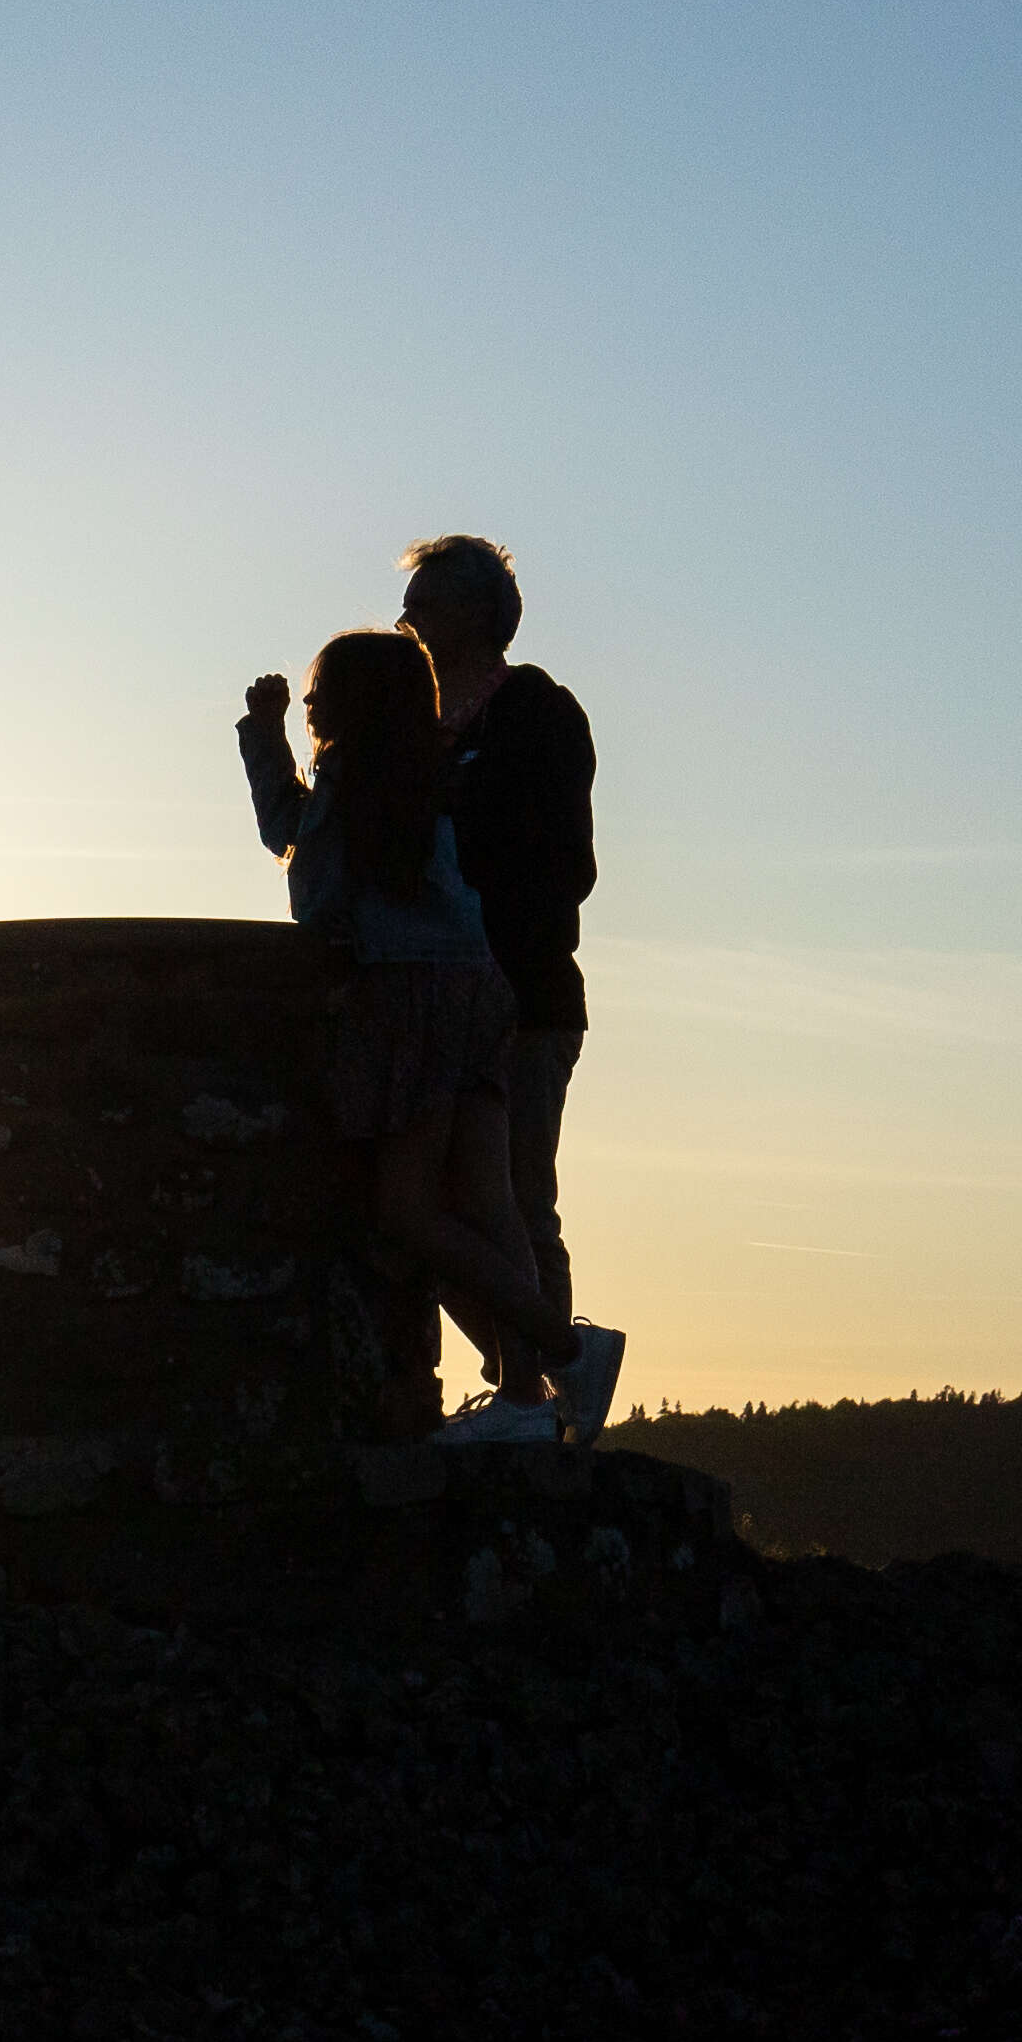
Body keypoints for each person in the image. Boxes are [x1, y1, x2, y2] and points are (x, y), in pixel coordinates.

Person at [239, 632, 571, 1443]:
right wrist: (269, 734)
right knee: (490, 1206)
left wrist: (265, 733)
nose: (310, 703)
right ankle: (527, 1395)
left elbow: (305, 865)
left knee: (406, 1209)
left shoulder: (359, 783)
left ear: (355, 702)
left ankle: (567, 1351)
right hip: (475, 992)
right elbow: (300, 827)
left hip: (415, 996)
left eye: (320, 691)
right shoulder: (422, 776)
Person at [403, 531, 618, 1440]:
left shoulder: (534, 713)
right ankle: (539, 1380)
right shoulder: (419, 730)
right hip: (440, 1003)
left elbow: (565, 865)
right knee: (429, 1203)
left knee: (519, 1196)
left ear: (479, 613)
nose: (408, 615)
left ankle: (550, 1405)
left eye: (427, 598)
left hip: (521, 999)